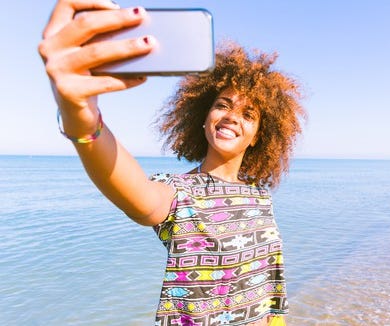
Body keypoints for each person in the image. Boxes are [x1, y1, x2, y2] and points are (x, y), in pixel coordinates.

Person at [38, 1, 305, 325]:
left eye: (248, 115)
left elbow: (268, 287)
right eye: (223, 105)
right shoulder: (179, 193)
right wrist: (80, 116)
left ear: (258, 137)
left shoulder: (260, 195)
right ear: (203, 119)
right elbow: (139, 197)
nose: (233, 117)